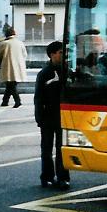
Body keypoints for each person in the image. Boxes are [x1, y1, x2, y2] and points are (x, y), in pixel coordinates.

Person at [35, 40, 69, 189]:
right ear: (52, 54)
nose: (63, 55)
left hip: (64, 116)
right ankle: (47, 176)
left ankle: (63, 177)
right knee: (47, 149)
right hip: (48, 115)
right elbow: (38, 97)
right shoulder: (44, 73)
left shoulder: (68, 71)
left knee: (62, 148)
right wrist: (39, 117)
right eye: (60, 52)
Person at [0, 26, 27, 107]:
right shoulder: (20, 43)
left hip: (8, 66)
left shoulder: (4, 43)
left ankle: (17, 101)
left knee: (10, 84)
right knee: (11, 84)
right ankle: (5, 101)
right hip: (19, 67)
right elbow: (25, 55)